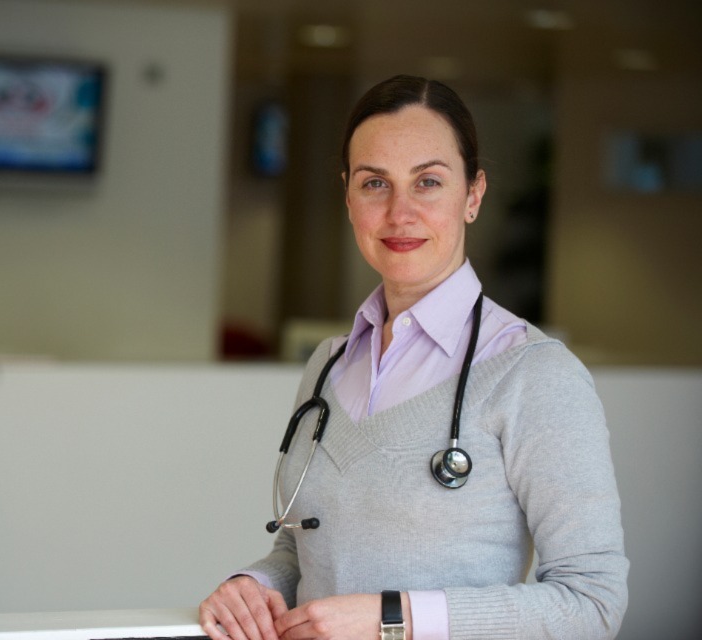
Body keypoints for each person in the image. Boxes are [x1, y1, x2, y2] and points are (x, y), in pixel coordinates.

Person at [199, 75, 628, 640]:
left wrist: (392, 619)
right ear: (349, 196)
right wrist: (252, 589)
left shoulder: (535, 375)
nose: (400, 213)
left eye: (428, 181)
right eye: (376, 183)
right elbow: (305, 550)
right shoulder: (329, 366)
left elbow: (591, 601)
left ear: (473, 195)